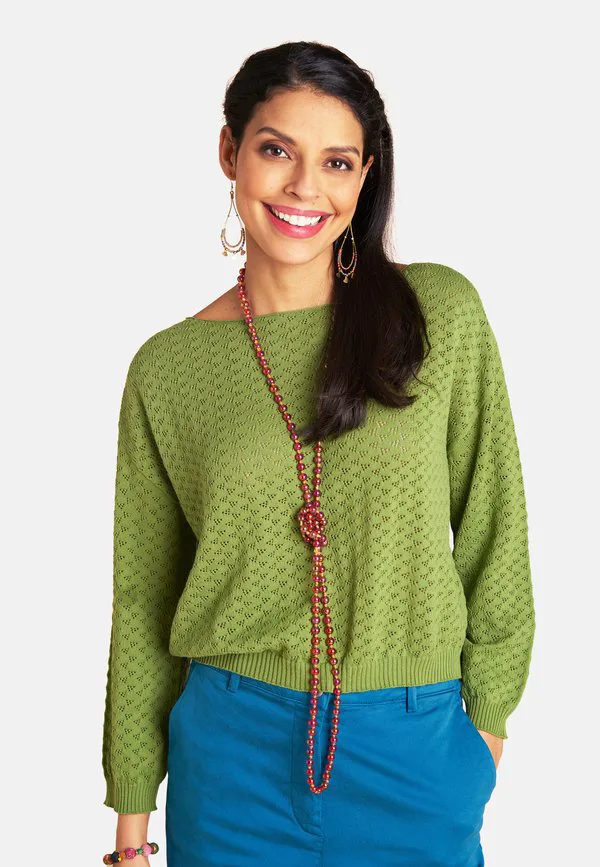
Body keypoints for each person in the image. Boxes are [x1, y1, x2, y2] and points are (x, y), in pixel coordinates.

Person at [101, 40, 536, 867]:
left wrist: (482, 733)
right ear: (229, 151)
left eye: (337, 162)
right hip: (230, 758)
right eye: (277, 151)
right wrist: (130, 823)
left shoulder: (437, 313)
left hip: (413, 749)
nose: (306, 187)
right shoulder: (169, 368)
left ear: (365, 176)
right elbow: (142, 600)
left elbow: (496, 532)